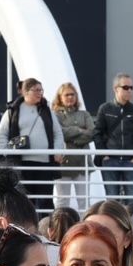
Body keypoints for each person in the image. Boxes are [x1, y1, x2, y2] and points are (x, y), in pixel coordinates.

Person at [0, 77, 64, 212]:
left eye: (41, 90)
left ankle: (45, 224)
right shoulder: (13, 110)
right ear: (25, 92)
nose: (40, 93)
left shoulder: (47, 110)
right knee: (24, 200)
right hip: (22, 164)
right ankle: (26, 224)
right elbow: (1, 136)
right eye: (36, 90)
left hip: (45, 163)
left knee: (45, 200)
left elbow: (58, 133)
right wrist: (9, 154)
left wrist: (57, 151)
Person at [93, 73, 133, 199]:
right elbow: (97, 133)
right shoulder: (105, 108)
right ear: (115, 89)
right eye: (125, 87)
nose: (129, 90)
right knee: (112, 199)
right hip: (110, 160)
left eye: (131, 87)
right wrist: (104, 155)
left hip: (131, 161)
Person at [52, 82, 96, 212]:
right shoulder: (55, 115)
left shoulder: (84, 114)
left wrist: (73, 139)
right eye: (67, 95)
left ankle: (84, 224)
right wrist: (79, 130)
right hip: (63, 164)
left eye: (72, 94)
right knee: (62, 201)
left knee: (84, 201)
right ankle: (60, 224)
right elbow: (59, 133)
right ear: (60, 97)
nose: (70, 97)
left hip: (82, 163)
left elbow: (92, 133)